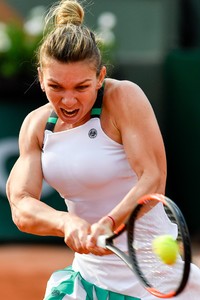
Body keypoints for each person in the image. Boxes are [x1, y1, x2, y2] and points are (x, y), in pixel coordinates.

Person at [6, 0, 200, 299]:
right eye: (56, 87)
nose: (68, 101)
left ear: (100, 77)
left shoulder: (123, 97)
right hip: (89, 276)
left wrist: (109, 223)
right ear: (41, 78)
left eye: (81, 87)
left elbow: (152, 178)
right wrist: (66, 222)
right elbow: (20, 204)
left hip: (155, 275)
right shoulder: (36, 126)